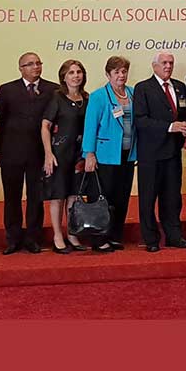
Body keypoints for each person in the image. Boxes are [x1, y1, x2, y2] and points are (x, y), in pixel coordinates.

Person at [133, 52, 186, 252]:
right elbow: (141, 120)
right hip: (150, 155)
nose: (168, 66)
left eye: (171, 63)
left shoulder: (180, 87)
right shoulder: (143, 88)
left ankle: (174, 236)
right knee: (148, 198)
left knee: (173, 198)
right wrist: (170, 127)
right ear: (154, 66)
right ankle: (151, 239)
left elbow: (185, 115)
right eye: (164, 63)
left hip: (173, 152)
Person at [0, 51, 54, 254]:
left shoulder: (52, 89)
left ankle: (33, 238)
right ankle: (13, 238)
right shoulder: (7, 89)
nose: (36, 67)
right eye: (30, 64)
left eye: (38, 63)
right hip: (11, 152)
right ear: (21, 68)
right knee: (12, 196)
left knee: (36, 197)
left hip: (39, 153)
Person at [82, 56, 138, 252]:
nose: (121, 75)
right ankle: (99, 239)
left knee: (122, 197)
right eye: (116, 72)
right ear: (108, 74)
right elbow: (90, 127)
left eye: (124, 71)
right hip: (105, 155)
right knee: (103, 198)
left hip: (128, 154)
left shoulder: (133, 93)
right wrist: (89, 154)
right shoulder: (98, 96)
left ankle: (115, 235)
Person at [40, 59, 89, 253]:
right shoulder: (57, 98)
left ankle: (72, 233)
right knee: (58, 195)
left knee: (74, 195)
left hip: (79, 154)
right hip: (59, 153)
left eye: (79, 72)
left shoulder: (87, 98)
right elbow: (45, 126)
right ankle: (57, 235)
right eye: (71, 72)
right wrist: (48, 153)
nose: (76, 76)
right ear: (63, 77)